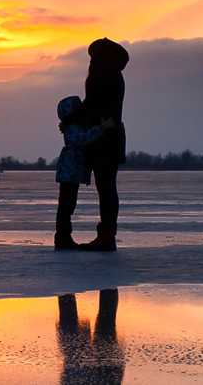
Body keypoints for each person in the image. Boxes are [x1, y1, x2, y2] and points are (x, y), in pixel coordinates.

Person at [64, 38, 129, 252]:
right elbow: (92, 104)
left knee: (106, 187)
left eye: (94, 57)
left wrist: (70, 118)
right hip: (107, 136)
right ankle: (107, 235)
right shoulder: (111, 76)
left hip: (106, 138)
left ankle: (107, 237)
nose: (90, 61)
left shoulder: (106, 76)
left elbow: (93, 105)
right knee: (107, 187)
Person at [54, 96, 116, 250]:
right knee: (66, 205)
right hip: (69, 172)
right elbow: (82, 139)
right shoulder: (72, 127)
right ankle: (63, 237)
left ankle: (64, 236)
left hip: (71, 172)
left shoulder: (75, 125)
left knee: (68, 204)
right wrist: (101, 128)